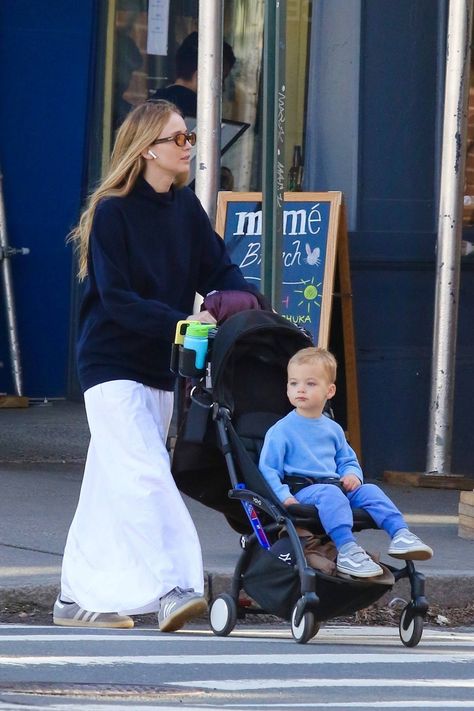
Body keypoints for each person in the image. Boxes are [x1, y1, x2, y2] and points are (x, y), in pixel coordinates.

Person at [54, 100, 261, 632]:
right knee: (145, 474)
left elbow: (220, 269)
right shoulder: (112, 212)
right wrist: (182, 323)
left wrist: (247, 304)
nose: (188, 145)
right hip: (109, 364)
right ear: (148, 148)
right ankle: (177, 587)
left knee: (111, 480)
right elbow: (117, 299)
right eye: (178, 139)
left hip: (160, 365)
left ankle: (73, 597)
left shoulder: (186, 209)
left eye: (189, 136)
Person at [259, 347, 433, 579]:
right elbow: (268, 469)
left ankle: (401, 534)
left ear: (329, 391)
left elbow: (347, 459)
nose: (300, 389)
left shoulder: (333, 429)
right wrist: (284, 497)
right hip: (303, 490)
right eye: (293, 383)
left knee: (370, 490)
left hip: (335, 488)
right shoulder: (281, 431)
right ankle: (347, 549)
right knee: (331, 495)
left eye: (310, 384)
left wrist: (352, 474)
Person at [149, 31, 236, 117]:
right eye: (221, 79)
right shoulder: (197, 110)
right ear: (201, 76)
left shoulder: (154, 101)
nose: (223, 88)